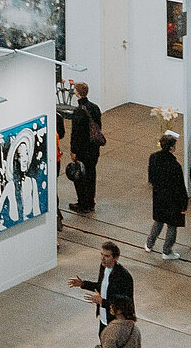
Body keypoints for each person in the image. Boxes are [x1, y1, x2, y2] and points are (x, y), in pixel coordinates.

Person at [66, 242, 133, 332]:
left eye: (107, 256)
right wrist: (83, 284)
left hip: (117, 322)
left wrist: (102, 301)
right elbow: (102, 287)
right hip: (104, 317)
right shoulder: (103, 267)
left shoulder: (124, 277)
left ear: (115, 258)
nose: (102, 258)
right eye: (101, 254)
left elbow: (125, 303)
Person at [145, 132, 186, 259]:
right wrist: (184, 203)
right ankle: (167, 251)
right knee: (172, 225)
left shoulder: (153, 157)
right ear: (171, 148)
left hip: (158, 195)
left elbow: (151, 177)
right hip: (172, 199)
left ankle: (149, 243)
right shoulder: (175, 165)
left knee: (158, 221)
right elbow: (180, 186)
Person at [67, 82, 103, 214]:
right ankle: (90, 202)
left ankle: (83, 203)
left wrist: (73, 150)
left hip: (82, 150)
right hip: (93, 148)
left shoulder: (78, 111)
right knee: (91, 175)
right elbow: (98, 127)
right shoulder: (95, 108)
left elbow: (76, 134)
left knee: (80, 177)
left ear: (77, 93)